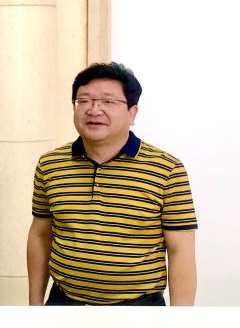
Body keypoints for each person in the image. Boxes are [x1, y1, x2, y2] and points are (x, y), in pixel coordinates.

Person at [27, 62, 198, 306]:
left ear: (132, 113)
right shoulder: (50, 164)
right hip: (64, 302)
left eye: (108, 101)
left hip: (139, 308)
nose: (94, 110)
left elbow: (181, 250)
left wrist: (180, 321)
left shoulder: (167, 169)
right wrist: (35, 306)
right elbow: (40, 235)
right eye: (83, 101)